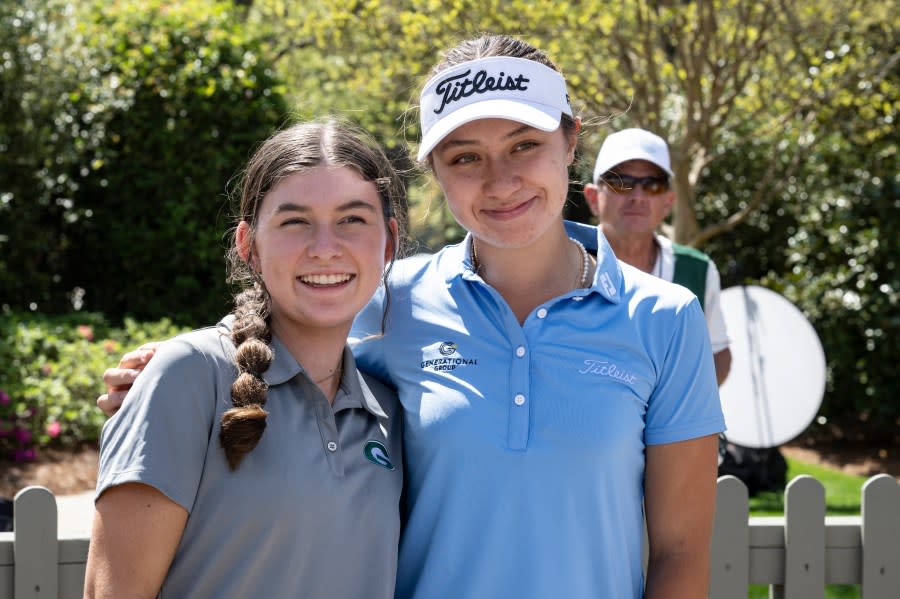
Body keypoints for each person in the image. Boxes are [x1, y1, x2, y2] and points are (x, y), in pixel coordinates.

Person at [98, 35, 725, 599]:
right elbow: (285, 317)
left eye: (524, 145)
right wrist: (168, 378)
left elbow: (680, 553)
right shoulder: (387, 297)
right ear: (435, 174)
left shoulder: (666, 318)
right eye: (464, 158)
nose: (500, 181)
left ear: (571, 139)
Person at [84, 120, 405, 599]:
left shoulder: (387, 411)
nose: (324, 248)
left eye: (352, 219)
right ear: (248, 245)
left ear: (389, 242)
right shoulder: (188, 377)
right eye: (294, 221)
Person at [583, 127, 733, 385]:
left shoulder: (696, 269)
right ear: (594, 198)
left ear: (668, 202)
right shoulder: (566, 262)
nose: (638, 197)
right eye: (621, 182)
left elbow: (718, 355)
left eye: (652, 185)